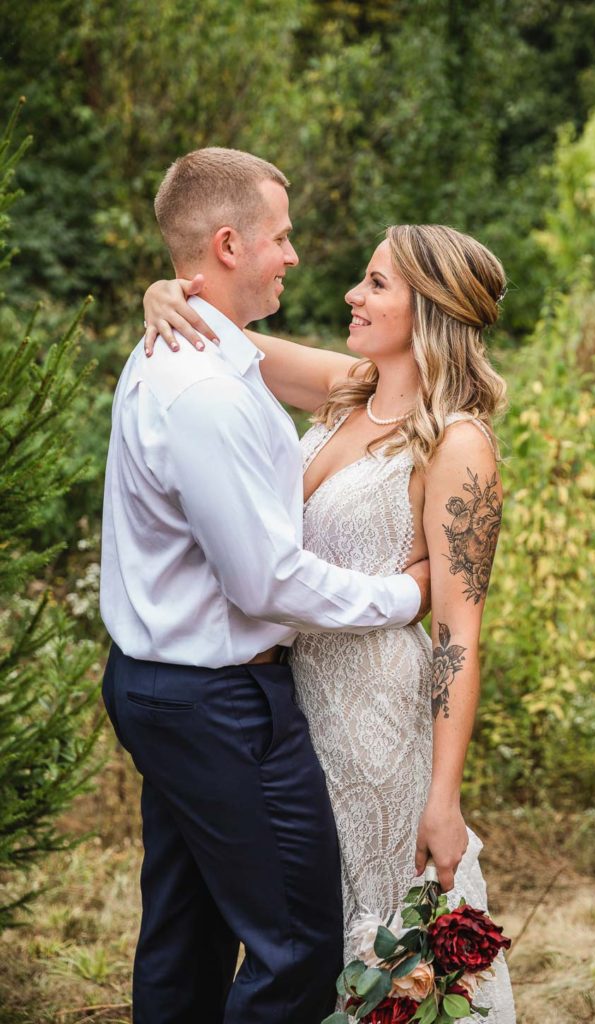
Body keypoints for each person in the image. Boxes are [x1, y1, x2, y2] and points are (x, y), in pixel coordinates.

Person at [143, 222, 517, 1020]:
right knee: (300, 921)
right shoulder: (348, 389)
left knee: (379, 934)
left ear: (430, 308)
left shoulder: (457, 442)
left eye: (376, 284)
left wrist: (444, 797)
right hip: (297, 702)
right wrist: (163, 293)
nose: (353, 294)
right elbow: (221, 336)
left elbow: (457, 632)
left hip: (377, 717)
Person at [100, 146, 432, 1024]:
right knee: (297, 948)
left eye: (376, 284)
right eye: (279, 236)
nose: (295, 255)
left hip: (177, 687)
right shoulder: (201, 386)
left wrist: (168, 290)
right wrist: (404, 596)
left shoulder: (207, 350)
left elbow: (344, 379)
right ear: (226, 244)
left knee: (186, 934)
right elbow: (265, 581)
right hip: (219, 703)